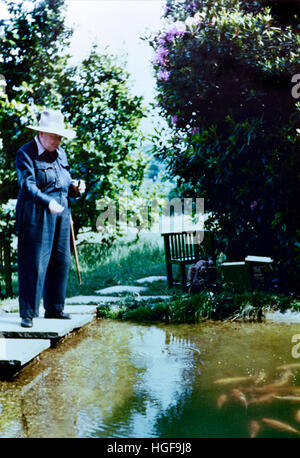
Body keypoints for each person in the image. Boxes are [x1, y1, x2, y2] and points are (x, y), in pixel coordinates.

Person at [16, 108, 85, 328]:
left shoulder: (60, 153)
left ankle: (55, 309)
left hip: (62, 212)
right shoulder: (25, 153)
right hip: (36, 213)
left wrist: (75, 187)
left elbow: (63, 181)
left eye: (60, 136)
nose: (59, 140)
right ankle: (28, 313)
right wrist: (48, 202)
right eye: (55, 136)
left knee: (61, 260)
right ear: (42, 134)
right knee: (34, 262)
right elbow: (27, 186)